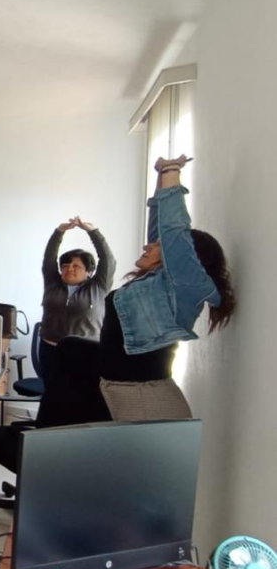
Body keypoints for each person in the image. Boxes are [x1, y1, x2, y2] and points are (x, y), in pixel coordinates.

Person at [97, 156, 236, 420]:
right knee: (70, 350)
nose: (148, 246)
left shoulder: (182, 285)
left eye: (158, 245)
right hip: (126, 392)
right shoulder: (160, 282)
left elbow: (173, 231)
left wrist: (172, 171)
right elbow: (160, 225)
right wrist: (161, 176)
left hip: (146, 399)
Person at [38, 216, 114, 374]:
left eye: (76, 266)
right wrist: (59, 232)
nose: (69, 269)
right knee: (51, 389)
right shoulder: (53, 283)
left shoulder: (98, 286)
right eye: (65, 265)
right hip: (51, 350)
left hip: (86, 352)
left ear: (88, 271)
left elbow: (108, 260)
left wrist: (93, 232)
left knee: (83, 390)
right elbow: (49, 258)